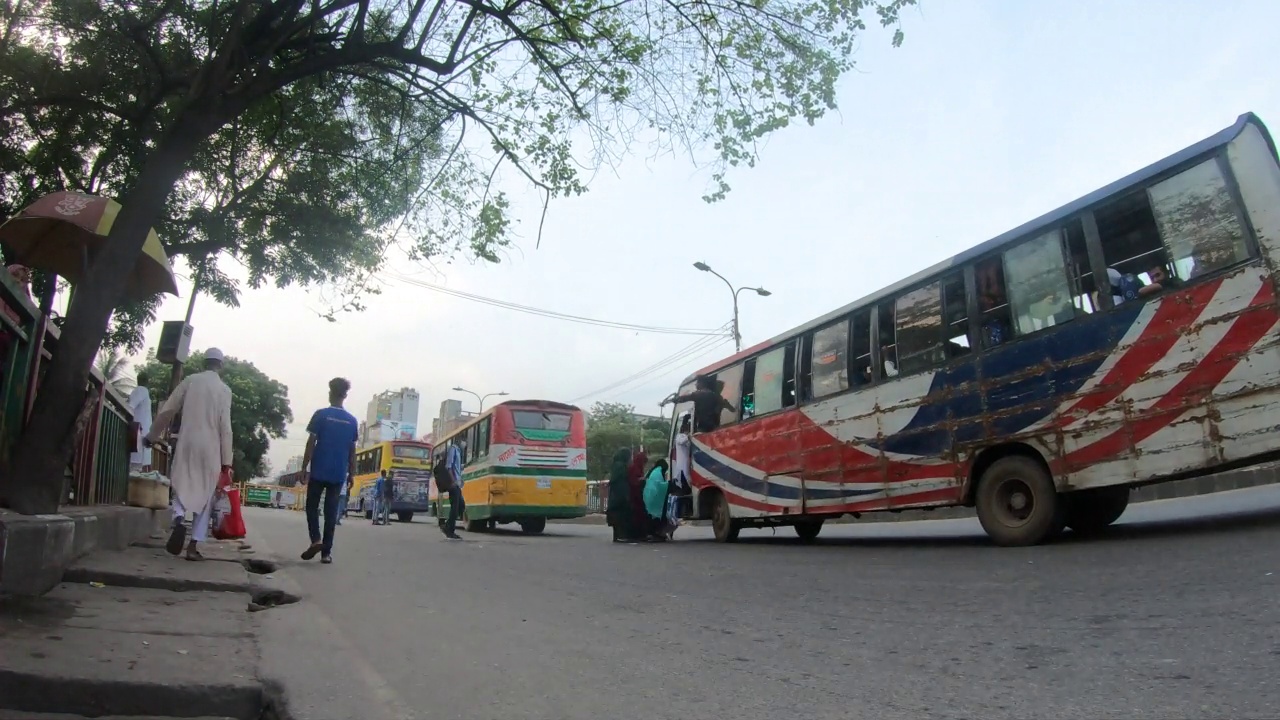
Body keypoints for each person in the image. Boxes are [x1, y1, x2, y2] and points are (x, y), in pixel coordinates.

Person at [144, 348, 233, 562]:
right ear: (220, 366)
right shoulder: (224, 390)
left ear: (204, 363)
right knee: (206, 495)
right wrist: (227, 462)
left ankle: (178, 519)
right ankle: (193, 546)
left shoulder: (190, 381)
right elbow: (226, 427)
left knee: (181, 483)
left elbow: (168, 409)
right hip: (211, 447)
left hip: (187, 441)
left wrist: (152, 435)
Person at [301, 377, 359, 564]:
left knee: (311, 506)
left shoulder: (321, 415)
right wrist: (352, 472)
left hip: (319, 470)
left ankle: (315, 539)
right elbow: (352, 450)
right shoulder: (352, 421)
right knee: (331, 513)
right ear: (345, 395)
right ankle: (326, 553)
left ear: (330, 393)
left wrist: (304, 467)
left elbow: (311, 443)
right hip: (338, 473)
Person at [667, 376, 735, 433]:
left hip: (703, 428)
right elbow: (732, 410)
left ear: (702, 384)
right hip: (715, 426)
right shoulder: (718, 398)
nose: (696, 385)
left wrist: (670, 400)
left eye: (697, 383)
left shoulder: (699, 394)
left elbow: (683, 398)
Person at [606, 447, 636, 543]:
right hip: (620, 496)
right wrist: (626, 497)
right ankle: (621, 536)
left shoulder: (616, 465)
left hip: (614, 496)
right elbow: (622, 484)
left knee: (617, 516)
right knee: (621, 516)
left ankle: (617, 536)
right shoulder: (622, 467)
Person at [440, 439, 465, 539]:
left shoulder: (458, 451)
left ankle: (447, 527)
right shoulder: (453, 449)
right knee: (455, 507)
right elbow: (449, 467)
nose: (465, 443)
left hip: (457, 483)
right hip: (453, 484)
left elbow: (455, 467)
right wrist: (453, 481)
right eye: (464, 440)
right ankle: (450, 530)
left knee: (461, 506)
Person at [128, 370, 153, 471]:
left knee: (137, 467)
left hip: (141, 434)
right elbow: (130, 406)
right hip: (139, 434)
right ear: (147, 381)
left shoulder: (142, 391)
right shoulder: (142, 390)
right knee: (135, 468)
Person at [643, 458, 671, 541]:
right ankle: (656, 534)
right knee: (657, 517)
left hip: (649, 497)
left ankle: (653, 533)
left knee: (652, 516)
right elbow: (659, 485)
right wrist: (668, 484)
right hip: (654, 497)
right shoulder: (658, 472)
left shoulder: (653, 471)